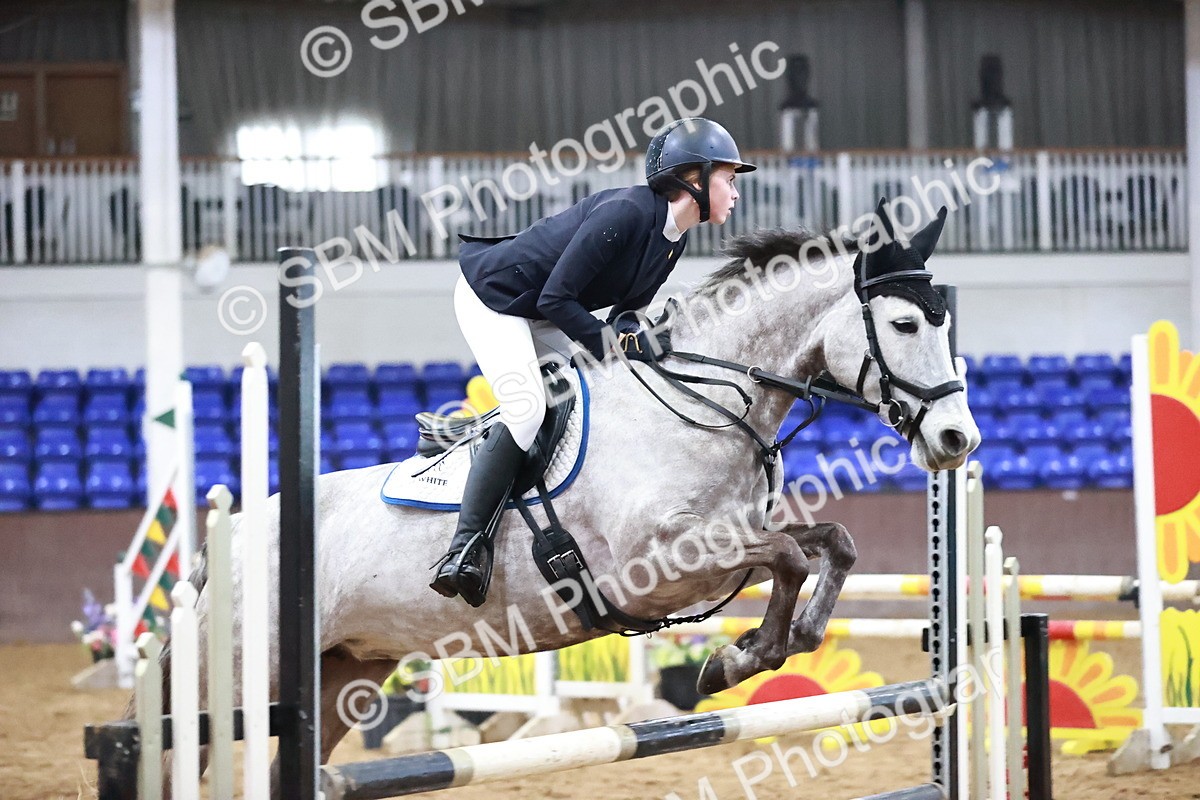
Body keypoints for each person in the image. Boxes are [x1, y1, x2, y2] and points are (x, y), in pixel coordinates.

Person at [429, 117, 755, 606]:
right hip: (494, 298)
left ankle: (469, 440)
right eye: (728, 178)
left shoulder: (673, 238)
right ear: (694, 178)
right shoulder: (626, 212)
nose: (735, 191)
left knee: (604, 390)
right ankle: (464, 550)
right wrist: (615, 346)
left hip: (540, 311)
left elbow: (626, 314)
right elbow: (558, 297)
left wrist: (635, 339)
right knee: (526, 410)